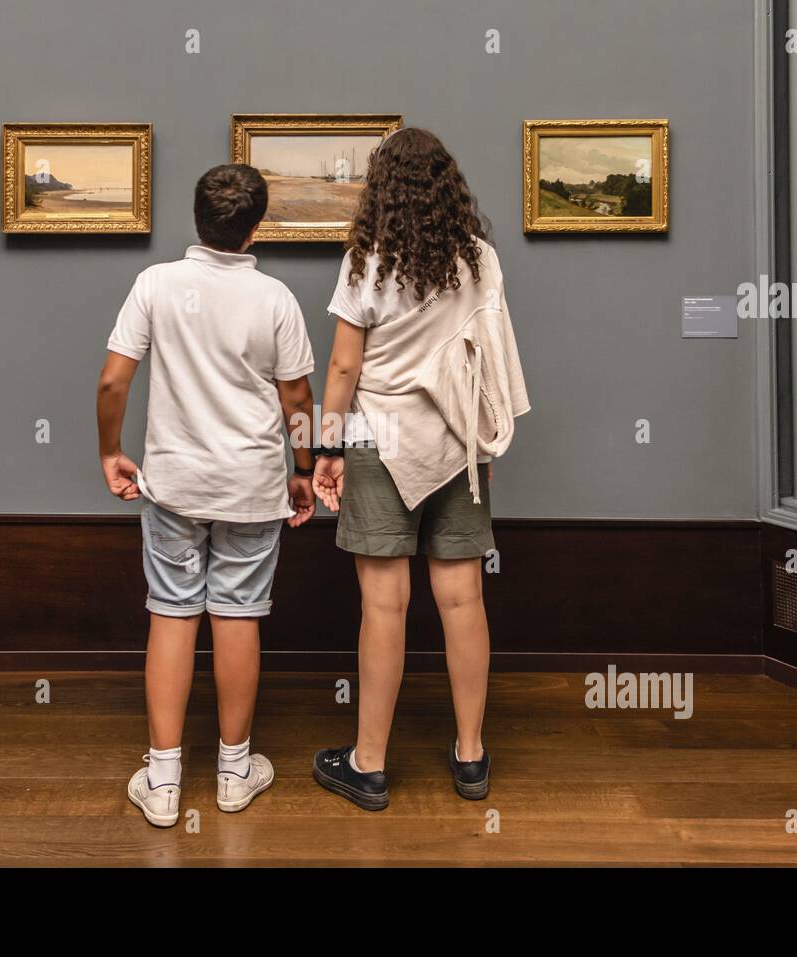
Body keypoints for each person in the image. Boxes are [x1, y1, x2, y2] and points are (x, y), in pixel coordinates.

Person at [310, 129, 530, 810]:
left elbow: (345, 366)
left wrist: (325, 447)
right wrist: (486, 446)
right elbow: (490, 355)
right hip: (459, 445)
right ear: (448, 186)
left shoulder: (367, 259)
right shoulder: (481, 259)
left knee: (385, 603)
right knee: (464, 600)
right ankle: (470, 756)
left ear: (382, 188)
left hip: (380, 441)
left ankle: (369, 764)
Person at [96, 164, 316, 827]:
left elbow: (112, 382)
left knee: (171, 612)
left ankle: (163, 780)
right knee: (238, 616)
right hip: (251, 486)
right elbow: (298, 397)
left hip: (174, 486)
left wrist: (110, 451)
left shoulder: (155, 284)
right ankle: (233, 770)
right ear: (255, 226)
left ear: (196, 218)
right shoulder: (275, 298)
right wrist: (303, 468)